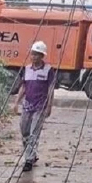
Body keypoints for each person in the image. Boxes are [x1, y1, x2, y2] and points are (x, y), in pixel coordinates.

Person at [14, 41, 55, 172]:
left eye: (37, 55)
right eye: (33, 54)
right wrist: (16, 103)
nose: (34, 57)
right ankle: (32, 154)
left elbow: (50, 88)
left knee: (33, 133)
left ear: (42, 56)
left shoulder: (48, 70)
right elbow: (24, 87)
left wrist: (49, 105)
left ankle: (29, 159)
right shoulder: (26, 69)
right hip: (27, 105)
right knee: (24, 131)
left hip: (40, 106)